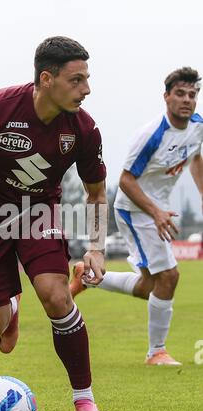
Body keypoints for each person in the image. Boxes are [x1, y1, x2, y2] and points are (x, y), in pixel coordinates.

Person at [0, 36, 108, 411]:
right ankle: (10, 306)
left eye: (87, 78)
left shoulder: (84, 129)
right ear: (47, 79)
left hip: (37, 214)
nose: (87, 89)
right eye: (76, 80)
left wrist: (96, 247)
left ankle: (84, 399)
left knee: (56, 295)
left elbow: (96, 193)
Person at [71, 67, 203, 366]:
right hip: (135, 209)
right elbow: (127, 181)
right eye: (180, 94)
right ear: (166, 97)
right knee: (169, 276)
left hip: (156, 210)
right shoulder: (151, 135)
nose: (187, 100)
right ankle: (156, 351)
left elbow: (195, 157)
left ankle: (88, 277)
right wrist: (155, 212)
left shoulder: (197, 127)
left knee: (149, 287)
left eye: (192, 95)